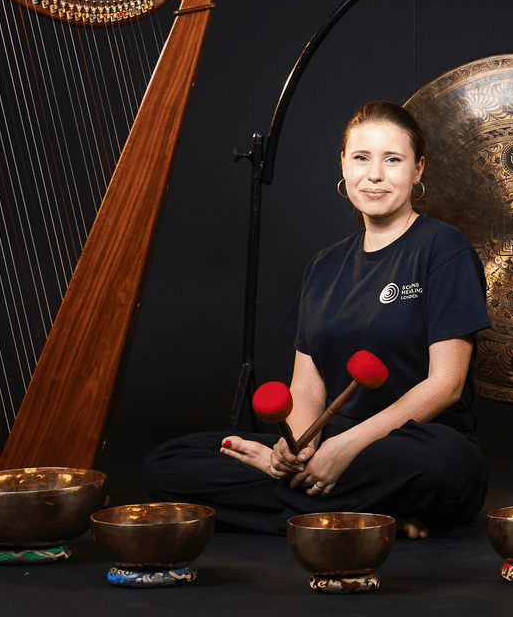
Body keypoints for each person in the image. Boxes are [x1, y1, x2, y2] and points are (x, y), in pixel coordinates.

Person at [142, 101, 491, 537]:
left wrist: (346, 448)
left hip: (413, 443)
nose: (375, 174)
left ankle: (316, 509)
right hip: (330, 442)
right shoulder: (325, 265)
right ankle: (365, 515)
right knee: (167, 464)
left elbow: (446, 385)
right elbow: (307, 387)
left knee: (445, 464)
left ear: (418, 170)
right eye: (361, 157)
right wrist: (296, 450)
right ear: (343, 165)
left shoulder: (443, 248)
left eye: (393, 160)